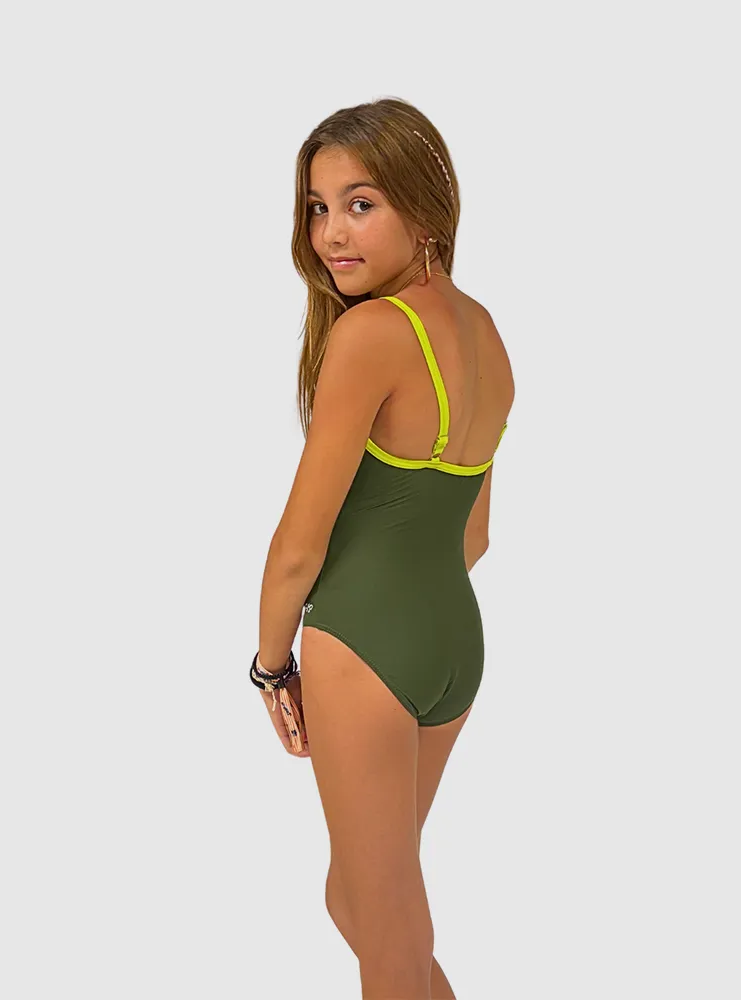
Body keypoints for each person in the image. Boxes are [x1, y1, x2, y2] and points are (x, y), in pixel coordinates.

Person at [251, 97, 515, 999]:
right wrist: (416, 610)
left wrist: (272, 666)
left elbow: (299, 543)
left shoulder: (371, 333)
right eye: (318, 207)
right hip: (452, 639)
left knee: (389, 937)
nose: (331, 233)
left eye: (360, 204)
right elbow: (475, 533)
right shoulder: (484, 333)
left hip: (363, 640)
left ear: (425, 204)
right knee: (361, 903)